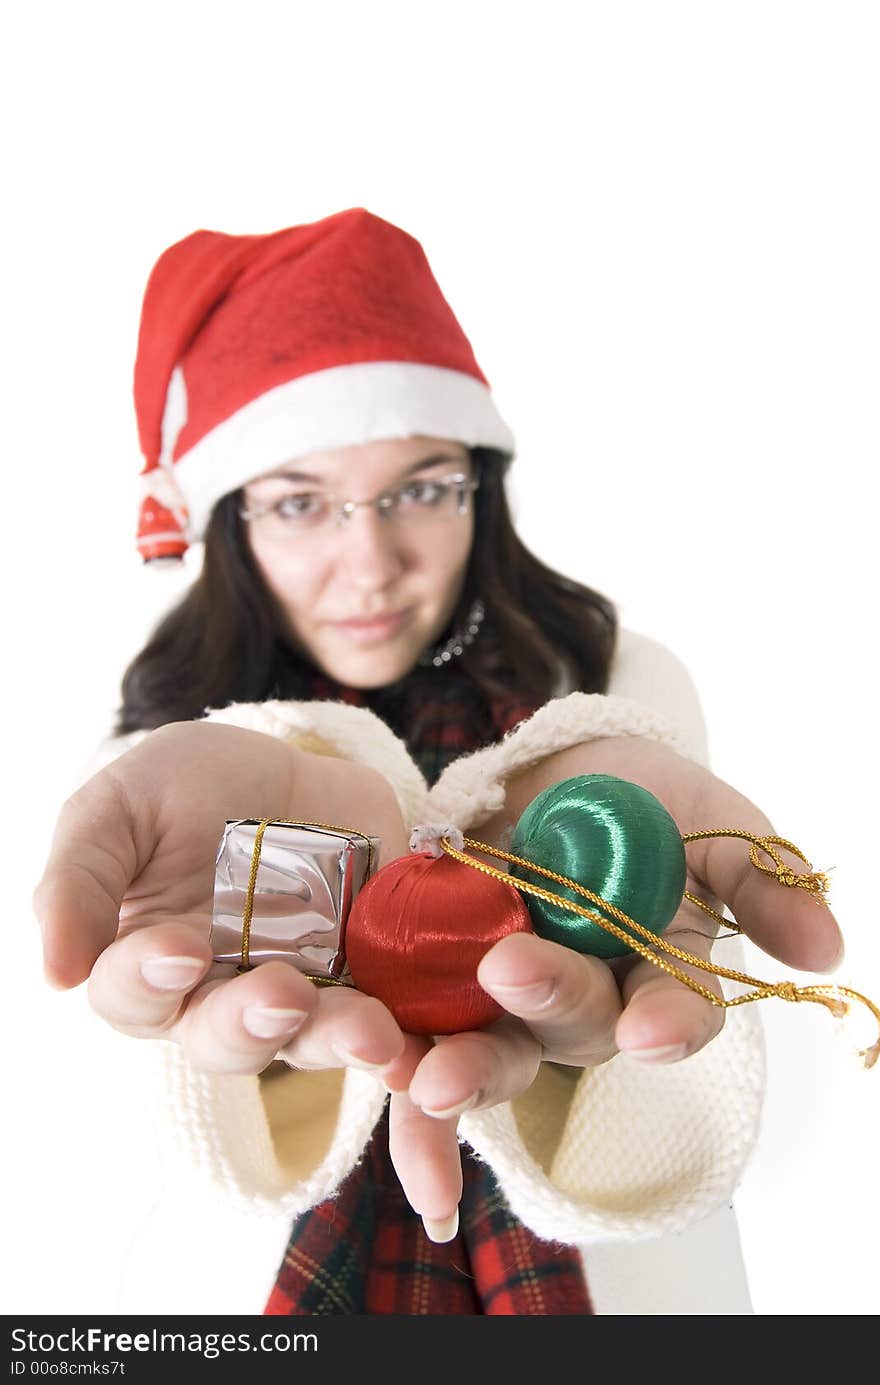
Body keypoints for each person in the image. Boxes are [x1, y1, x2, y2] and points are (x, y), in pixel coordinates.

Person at [34, 207, 843, 1316]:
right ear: (226, 519)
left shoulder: (614, 681)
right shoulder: (164, 759)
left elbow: (652, 1012)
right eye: (301, 501)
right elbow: (119, 1121)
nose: (369, 562)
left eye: (420, 486)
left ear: (481, 486)